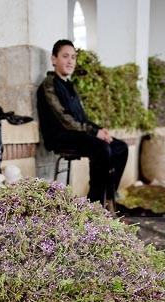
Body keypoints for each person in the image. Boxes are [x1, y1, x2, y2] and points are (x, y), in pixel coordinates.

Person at [37, 39, 128, 212]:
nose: (70, 61)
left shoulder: (70, 86)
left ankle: (108, 195)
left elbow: (82, 118)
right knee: (101, 148)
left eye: (73, 57)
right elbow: (65, 119)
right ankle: (93, 206)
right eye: (65, 56)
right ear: (54, 59)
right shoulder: (48, 85)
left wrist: (99, 130)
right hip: (60, 137)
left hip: (78, 135)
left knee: (120, 147)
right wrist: (95, 133)